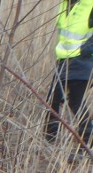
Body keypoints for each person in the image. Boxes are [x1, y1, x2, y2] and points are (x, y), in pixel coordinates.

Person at [45, 0, 93, 162]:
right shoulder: (65, 4)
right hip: (63, 60)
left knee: (76, 103)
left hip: (82, 62)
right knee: (53, 98)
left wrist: (85, 51)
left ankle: (87, 144)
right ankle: (48, 141)